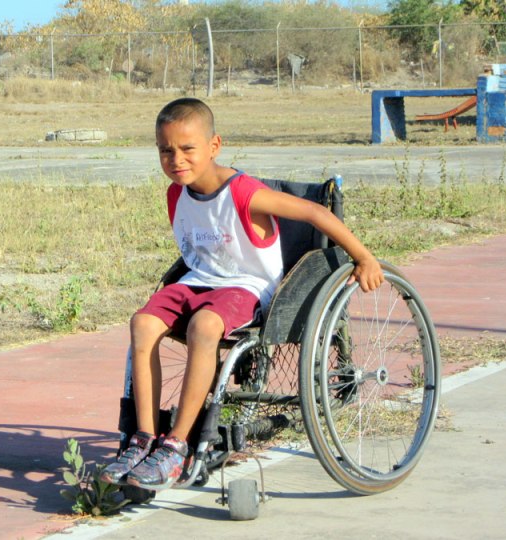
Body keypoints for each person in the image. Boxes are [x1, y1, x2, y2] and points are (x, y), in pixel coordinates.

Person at [100, 97, 384, 491]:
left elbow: (317, 214)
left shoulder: (243, 191)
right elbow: (196, 258)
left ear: (214, 146)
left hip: (244, 286)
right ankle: (144, 438)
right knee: (142, 323)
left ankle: (176, 446)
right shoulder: (176, 193)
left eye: (187, 149)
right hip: (200, 279)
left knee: (204, 326)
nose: (176, 159)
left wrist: (364, 258)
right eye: (166, 150)